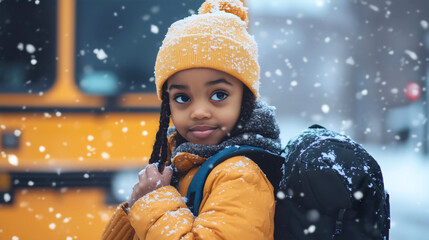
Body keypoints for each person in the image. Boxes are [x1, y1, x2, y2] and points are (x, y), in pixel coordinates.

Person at [102, 0, 282, 239]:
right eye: (182, 97)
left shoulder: (240, 176)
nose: (198, 112)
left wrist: (154, 202)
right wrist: (138, 204)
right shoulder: (185, 165)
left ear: (245, 99)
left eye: (219, 95)